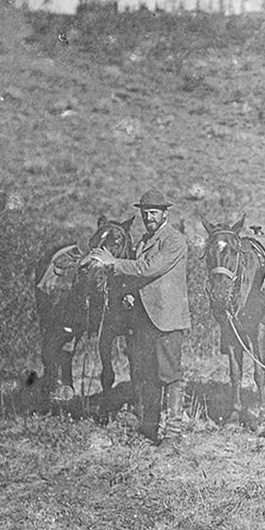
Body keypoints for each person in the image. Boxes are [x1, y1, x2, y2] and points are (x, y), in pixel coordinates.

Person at [88, 188, 191, 447]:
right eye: (145, 214)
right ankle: (149, 428)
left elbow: (149, 268)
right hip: (145, 319)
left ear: (164, 213)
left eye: (153, 213)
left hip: (167, 319)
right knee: (148, 374)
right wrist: (131, 293)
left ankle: (173, 433)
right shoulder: (145, 240)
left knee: (170, 376)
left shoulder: (174, 241)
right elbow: (140, 278)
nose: (149, 218)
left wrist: (112, 263)